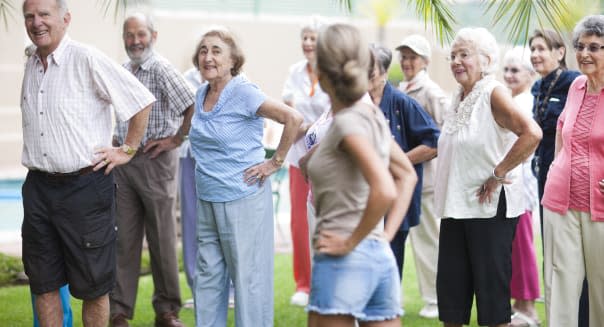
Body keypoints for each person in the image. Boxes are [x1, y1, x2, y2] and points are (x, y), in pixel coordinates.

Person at [20, 0, 154, 326]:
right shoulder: (30, 60)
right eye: (29, 16)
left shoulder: (86, 58)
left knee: (93, 286)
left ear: (65, 19)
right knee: (44, 283)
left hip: (84, 187)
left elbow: (140, 102)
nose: (36, 22)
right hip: (38, 187)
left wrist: (128, 149)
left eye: (44, 15)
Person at [305, 23, 418, 327]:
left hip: (344, 257)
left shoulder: (347, 123)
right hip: (379, 260)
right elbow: (407, 176)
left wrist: (349, 243)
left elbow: (385, 187)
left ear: (321, 71)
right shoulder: (372, 116)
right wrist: (384, 237)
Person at [189, 27, 303, 327]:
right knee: (207, 278)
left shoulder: (243, 91)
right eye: (203, 50)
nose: (208, 57)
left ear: (232, 60)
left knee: (248, 280)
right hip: (208, 198)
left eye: (216, 51)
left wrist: (274, 161)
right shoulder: (202, 93)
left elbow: (293, 118)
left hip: (243, 198)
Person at [434, 27, 542, 327]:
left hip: (489, 211)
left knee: (492, 305)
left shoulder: (493, 92)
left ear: (487, 59)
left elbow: (532, 134)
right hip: (456, 209)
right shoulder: (457, 96)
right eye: (452, 55)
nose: (456, 60)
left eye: (464, 54)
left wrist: (499, 172)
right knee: (452, 303)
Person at [109, 13, 195, 327]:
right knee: (124, 240)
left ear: (153, 36)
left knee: (161, 239)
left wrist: (175, 138)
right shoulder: (123, 70)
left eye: (141, 34)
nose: (135, 41)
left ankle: (167, 311)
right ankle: (119, 312)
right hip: (125, 164)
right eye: (129, 35)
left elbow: (192, 104)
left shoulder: (161, 68)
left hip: (156, 162)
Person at [541, 14, 604, 326]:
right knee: (560, 282)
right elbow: (561, 130)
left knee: (602, 288)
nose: (584, 53)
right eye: (580, 46)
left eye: (594, 47)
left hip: (600, 208)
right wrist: (556, 167)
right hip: (561, 200)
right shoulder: (576, 85)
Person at [367, 43, 439, 311]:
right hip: (361, 200)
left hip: (396, 200)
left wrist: (397, 163)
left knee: (388, 265)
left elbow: (434, 142)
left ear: (383, 72)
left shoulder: (401, 103)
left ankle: (386, 312)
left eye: (369, 68)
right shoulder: (356, 102)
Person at [528, 29, 588, 327]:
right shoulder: (538, 87)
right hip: (549, 180)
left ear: (560, 52)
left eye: (541, 48)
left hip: (581, 183)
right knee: (554, 259)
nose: (535, 55)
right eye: (532, 49)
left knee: (584, 263)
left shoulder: (575, 84)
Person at [396, 34, 448, 319]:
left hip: (426, 182)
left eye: (412, 57)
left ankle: (436, 300)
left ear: (425, 61)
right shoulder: (403, 88)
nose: (406, 62)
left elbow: (442, 137)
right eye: (404, 56)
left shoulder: (431, 92)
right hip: (406, 181)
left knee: (430, 241)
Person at [281, 16, 330, 307]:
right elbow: (290, 116)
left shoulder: (332, 72)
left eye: (313, 38)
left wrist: (307, 124)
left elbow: (333, 116)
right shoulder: (294, 72)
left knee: (325, 217)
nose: (308, 43)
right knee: (299, 221)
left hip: (328, 157)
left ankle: (323, 281)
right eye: (305, 38)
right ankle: (304, 283)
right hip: (299, 157)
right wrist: (313, 124)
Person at [501, 47, 542, 327]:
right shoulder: (511, 100)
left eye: (515, 70)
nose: (509, 75)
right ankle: (519, 304)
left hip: (523, 182)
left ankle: (529, 308)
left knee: (523, 245)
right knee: (514, 246)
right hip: (510, 182)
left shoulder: (527, 102)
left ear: (529, 74)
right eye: (506, 69)